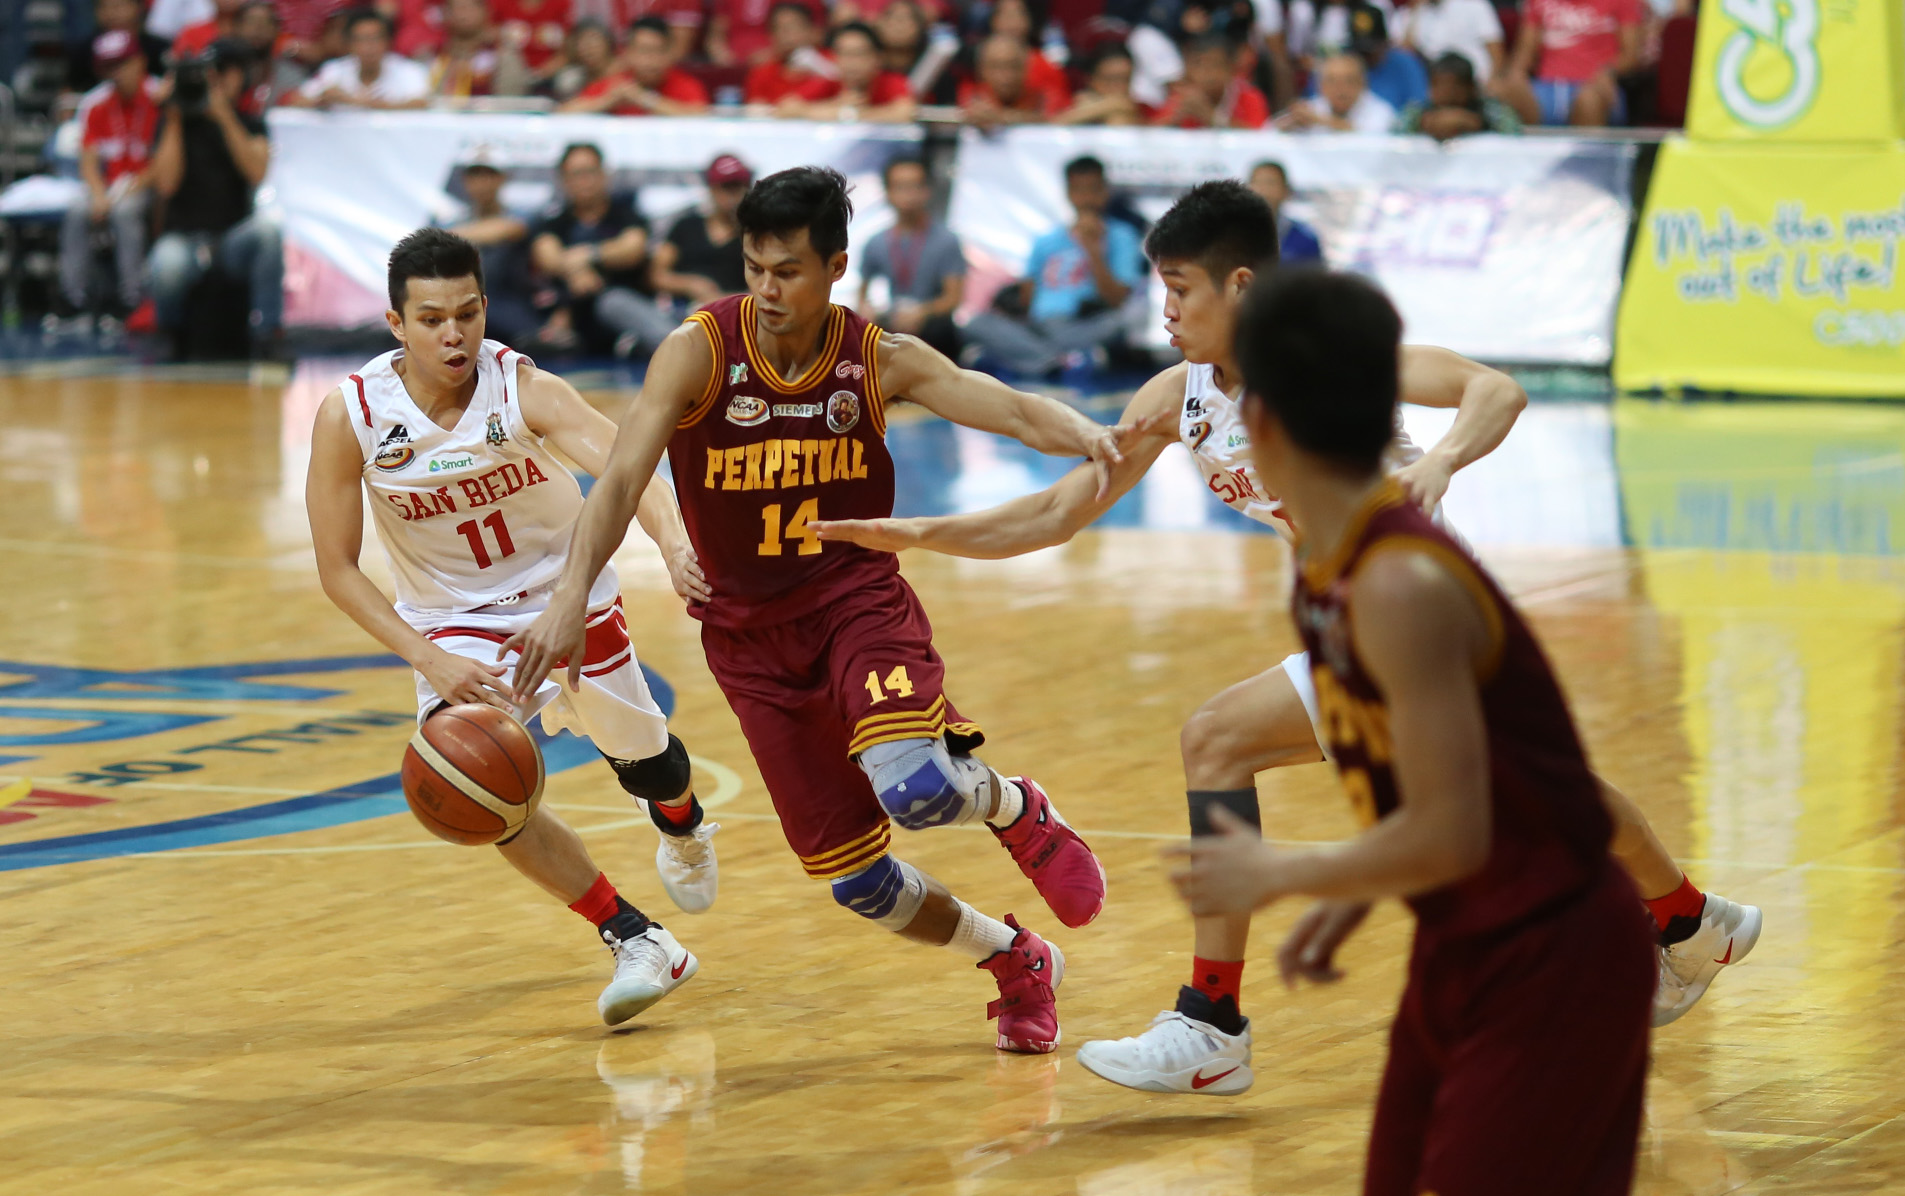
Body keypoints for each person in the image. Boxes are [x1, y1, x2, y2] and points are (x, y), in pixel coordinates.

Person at [812, 180, 1762, 1092]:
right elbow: (1058, 514)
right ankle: (1686, 921)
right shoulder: (1176, 396)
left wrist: (1436, 461)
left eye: (1180, 289)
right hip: (1363, 630)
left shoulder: (1327, 355)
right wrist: (916, 535)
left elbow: (1493, 391)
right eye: (1160, 288)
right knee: (1252, 747)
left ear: (1242, 287)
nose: (1166, 310)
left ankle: (1224, 1027)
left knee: (1514, 811)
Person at [501, 166, 1132, 1054]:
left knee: (914, 788)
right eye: (753, 267)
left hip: (852, 600)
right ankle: (1013, 960)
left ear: (835, 266)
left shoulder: (874, 357)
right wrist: (571, 595)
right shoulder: (697, 350)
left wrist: (1092, 438)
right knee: (860, 884)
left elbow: (1009, 406)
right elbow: (618, 483)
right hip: (745, 638)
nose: (764, 290)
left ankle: (1016, 808)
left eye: (786, 271)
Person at [1168, 268, 1654, 1194]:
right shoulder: (1327, 572)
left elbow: (1453, 826)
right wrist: (1348, 906)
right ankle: (1685, 914)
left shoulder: (1396, 583)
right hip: (1460, 936)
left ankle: (1682, 915)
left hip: (1552, 953)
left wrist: (1291, 876)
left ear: (1264, 427)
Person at [304, 228, 720, 1028]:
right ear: (395, 325)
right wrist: (430, 659)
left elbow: (627, 465)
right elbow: (338, 570)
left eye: (466, 313)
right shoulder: (351, 415)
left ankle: (682, 823)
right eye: (429, 319)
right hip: (452, 622)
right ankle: (635, 937)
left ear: (485, 308)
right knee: (483, 787)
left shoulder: (519, 387)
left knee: (650, 765)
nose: (452, 334)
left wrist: (672, 544)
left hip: (567, 597)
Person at [147, 38, 283, 357]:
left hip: (232, 238)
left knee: (268, 234)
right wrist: (175, 117)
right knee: (166, 264)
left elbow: (256, 172)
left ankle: (267, 334)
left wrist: (223, 115)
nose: (218, 80)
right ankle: (169, 335)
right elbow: (165, 184)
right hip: (184, 237)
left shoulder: (250, 122)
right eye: (213, 73)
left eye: (225, 72)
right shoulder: (173, 123)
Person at [962, 156, 1143, 378]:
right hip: (1041, 326)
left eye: (1093, 190)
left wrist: (1093, 251)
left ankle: (1029, 359)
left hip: (1086, 323)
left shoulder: (1121, 236)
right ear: (1068, 193)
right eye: (1079, 190)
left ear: (1105, 192)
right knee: (976, 323)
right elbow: (1027, 300)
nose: (1086, 198)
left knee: (1124, 323)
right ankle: (1058, 360)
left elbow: (1117, 300)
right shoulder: (1046, 240)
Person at [529, 142, 673, 359]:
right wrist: (577, 272)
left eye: (591, 172)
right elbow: (547, 257)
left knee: (611, 301)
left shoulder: (625, 212)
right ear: (563, 179)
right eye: (577, 173)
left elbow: (632, 248)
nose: (585, 180)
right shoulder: (554, 219)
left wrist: (588, 255)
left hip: (624, 307)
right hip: (575, 314)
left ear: (604, 175)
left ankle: (681, 351)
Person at [60, 32, 159, 324]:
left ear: (140, 62)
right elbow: (88, 161)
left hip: (145, 184)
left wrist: (130, 189)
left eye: (123, 63)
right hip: (108, 185)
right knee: (77, 209)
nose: (118, 72)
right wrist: (100, 194)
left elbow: (163, 162)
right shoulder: (94, 103)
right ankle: (73, 297)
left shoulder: (159, 96)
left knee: (126, 211)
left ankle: (131, 297)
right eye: (110, 65)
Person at [857, 155, 964, 361]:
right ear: (887, 192)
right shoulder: (876, 242)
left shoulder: (946, 240)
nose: (908, 195)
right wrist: (867, 310)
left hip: (930, 325)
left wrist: (922, 312)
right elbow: (862, 294)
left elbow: (953, 298)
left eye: (915, 186)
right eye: (900, 186)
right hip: (892, 321)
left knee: (941, 330)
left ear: (927, 191)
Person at [1497, 0, 1643, 127]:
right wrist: (1515, 76)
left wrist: (1608, 72)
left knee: (1588, 100)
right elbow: (1524, 53)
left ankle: (1588, 156)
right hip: (1546, 88)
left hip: (1595, 85)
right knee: (1502, 90)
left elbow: (1631, 55)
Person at [443, 155, 537, 345]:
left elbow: (508, 229)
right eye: (475, 176)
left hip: (511, 303)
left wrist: (449, 236)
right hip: (462, 304)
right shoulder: (453, 221)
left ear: (501, 179)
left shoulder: (522, 216)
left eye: (488, 175)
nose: (482, 183)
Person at [650, 154, 750, 311]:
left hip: (731, 312)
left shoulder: (754, 235)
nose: (733, 195)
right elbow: (657, 275)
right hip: (679, 309)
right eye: (726, 187)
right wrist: (690, 284)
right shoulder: (686, 226)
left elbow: (762, 285)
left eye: (737, 186)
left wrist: (719, 300)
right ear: (711, 189)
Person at [558, 16, 709, 113]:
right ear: (628, 53)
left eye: (658, 50)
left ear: (670, 53)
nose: (650, 59)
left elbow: (701, 116)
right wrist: (607, 101)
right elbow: (564, 112)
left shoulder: (685, 84)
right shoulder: (619, 84)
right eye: (643, 51)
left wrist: (644, 99)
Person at [286, 8, 432, 108]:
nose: (368, 47)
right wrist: (321, 100)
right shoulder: (334, 70)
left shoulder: (408, 70)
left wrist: (360, 104)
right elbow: (295, 100)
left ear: (388, 42)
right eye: (361, 40)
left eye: (375, 39)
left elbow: (422, 103)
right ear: (349, 44)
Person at [775, 21, 916, 121]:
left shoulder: (893, 81)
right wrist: (836, 104)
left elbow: (905, 113)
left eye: (859, 53)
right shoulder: (829, 82)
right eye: (845, 54)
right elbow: (785, 109)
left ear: (877, 58)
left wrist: (851, 114)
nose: (852, 63)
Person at [1151, 33, 1270, 129]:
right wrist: (1173, 122)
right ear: (1189, 69)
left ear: (1231, 69)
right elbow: (1151, 134)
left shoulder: (1250, 98)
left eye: (1215, 66)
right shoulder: (1182, 99)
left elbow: (1258, 139)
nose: (1207, 74)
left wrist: (1211, 116)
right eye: (1200, 65)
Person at [1396, 52, 1522, 139]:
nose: (1445, 93)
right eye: (1437, 85)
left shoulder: (1493, 111)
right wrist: (1425, 125)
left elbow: (1514, 141)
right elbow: (1394, 141)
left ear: (1471, 88)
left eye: (1453, 86)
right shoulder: (1417, 112)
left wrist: (1477, 124)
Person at [958, 34, 1069, 127]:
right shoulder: (972, 95)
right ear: (981, 70)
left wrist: (1001, 118)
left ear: (1026, 67)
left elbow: (1055, 121)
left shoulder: (1045, 97)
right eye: (996, 67)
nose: (1005, 76)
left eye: (1013, 66)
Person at [1276, 52, 1396, 132]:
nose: (1341, 88)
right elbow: (1269, 131)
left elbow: (1368, 139)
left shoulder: (1381, 112)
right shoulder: (1313, 108)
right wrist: (1288, 125)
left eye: (1349, 81)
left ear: (1363, 84)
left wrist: (1321, 120)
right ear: (1321, 86)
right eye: (1332, 81)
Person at [1341, 2, 1427, 112]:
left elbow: (1418, 106)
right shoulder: (1340, 64)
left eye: (1369, 51)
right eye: (1359, 50)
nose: (1365, 57)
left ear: (1385, 43)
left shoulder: (1405, 64)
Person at [1395, 0, 1503, 85]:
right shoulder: (1408, 15)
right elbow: (1405, 55)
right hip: (1437, 89)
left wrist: (1492, 82)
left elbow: (1496, 51)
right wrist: (1415, 12)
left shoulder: (1475, 4)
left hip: (1479, 81)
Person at [741, 1, 829, 104]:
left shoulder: (831, 63)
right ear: (771, 35)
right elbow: (755, 110)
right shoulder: (761, 73)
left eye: (793, 27)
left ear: (811, 30)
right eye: (780, 28)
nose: (787, 34)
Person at [1054, 42, 1150, 126]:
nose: (1118, 87)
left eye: (1125, 79)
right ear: (1090, 79)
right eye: (1110, 79)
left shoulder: (1144, 110)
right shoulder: (1069, 104)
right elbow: (1053, 125)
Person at [1246, 161, 1322, 264]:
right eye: (1257, 182)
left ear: (1286, 190)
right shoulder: (1231, 236)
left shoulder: (1304, 238)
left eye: (1270, 183)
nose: (1263, 190)